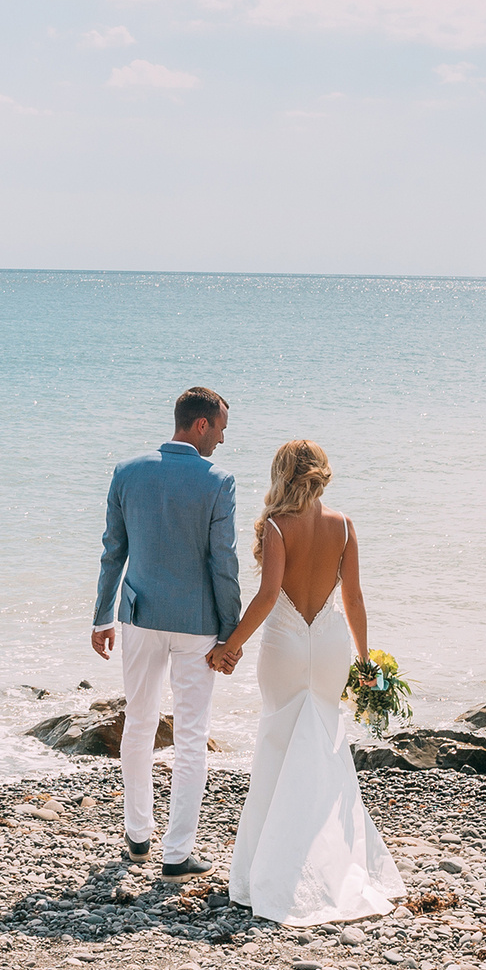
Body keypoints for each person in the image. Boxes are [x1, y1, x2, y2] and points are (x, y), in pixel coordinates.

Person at [206, 440, 405, 925]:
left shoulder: (276, 526)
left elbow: (269, 594)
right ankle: (335, 860)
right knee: (325, 743)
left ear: (282, 474)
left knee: (278, 743)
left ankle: (272, 867)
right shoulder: (344, 526)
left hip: (286, 647)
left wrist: (229, 646)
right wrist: (365, 662)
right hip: (333, 645)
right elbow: (353, 599)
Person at [91, 386, 242, 878]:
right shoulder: (219, 481)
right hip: (198, 625)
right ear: (200, 424)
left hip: (138, 616)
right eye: (219, 427)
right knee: (192, 736)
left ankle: (138, 836)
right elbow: (224, 564)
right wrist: (231, 633)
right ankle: (177, 853)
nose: (221, 438)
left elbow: (114, 550)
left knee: (138, 723)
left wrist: (102, 617)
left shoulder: (127, 472)